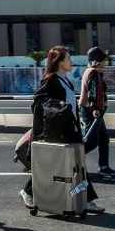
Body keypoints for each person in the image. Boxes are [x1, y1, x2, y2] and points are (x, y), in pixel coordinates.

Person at [20, 46, 104, 214]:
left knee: (78, 165)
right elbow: (39, 102)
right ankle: (28, 191)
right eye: (68, 59)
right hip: (56, 131)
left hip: (71, 129)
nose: (71, 61)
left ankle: (85, 199)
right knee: (52, 165)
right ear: (59, 62)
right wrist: (58, 108)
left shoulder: (65, 80)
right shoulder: (51, 80)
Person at [79, 46, 115, 176]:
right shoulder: (93, 72)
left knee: (103, 139)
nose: (105, 63)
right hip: (91, 110)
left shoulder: (92, 71)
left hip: (94, 109)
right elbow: (93, 92)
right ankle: (72, 159)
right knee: (91, 141)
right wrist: (95, 108)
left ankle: (104, 166)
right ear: (96, 61)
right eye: (103, 60)